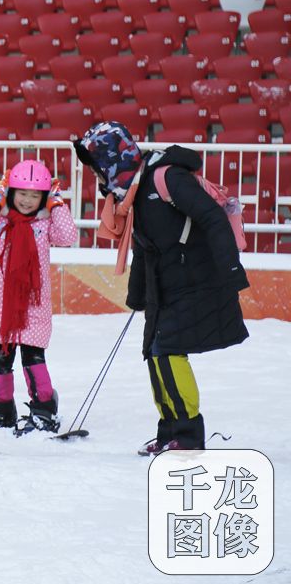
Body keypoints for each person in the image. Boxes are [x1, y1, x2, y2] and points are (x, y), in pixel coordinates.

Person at [75, 121, 248, 454]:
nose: (96, 175)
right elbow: (146, 246)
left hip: (197, 278)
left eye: (98, 166)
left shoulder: (166, 178)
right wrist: (138, 293)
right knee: (154, 354)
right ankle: (169, 430)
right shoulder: (134, 192)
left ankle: (187, 436)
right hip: (165, 282)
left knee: (167, 352)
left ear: (114, 161)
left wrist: (231, 267)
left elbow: (211, 218)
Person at [0, 159, 78, 435]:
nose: (27, 201)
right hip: (0, 305)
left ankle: (43, 408)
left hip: (33, 305)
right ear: (11, 193)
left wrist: (57, 203)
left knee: (33, 358)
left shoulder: (46, 223)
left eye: (35, 195)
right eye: (22, 194)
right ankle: (1, 407)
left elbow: (68, 236)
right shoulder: (1, 221)